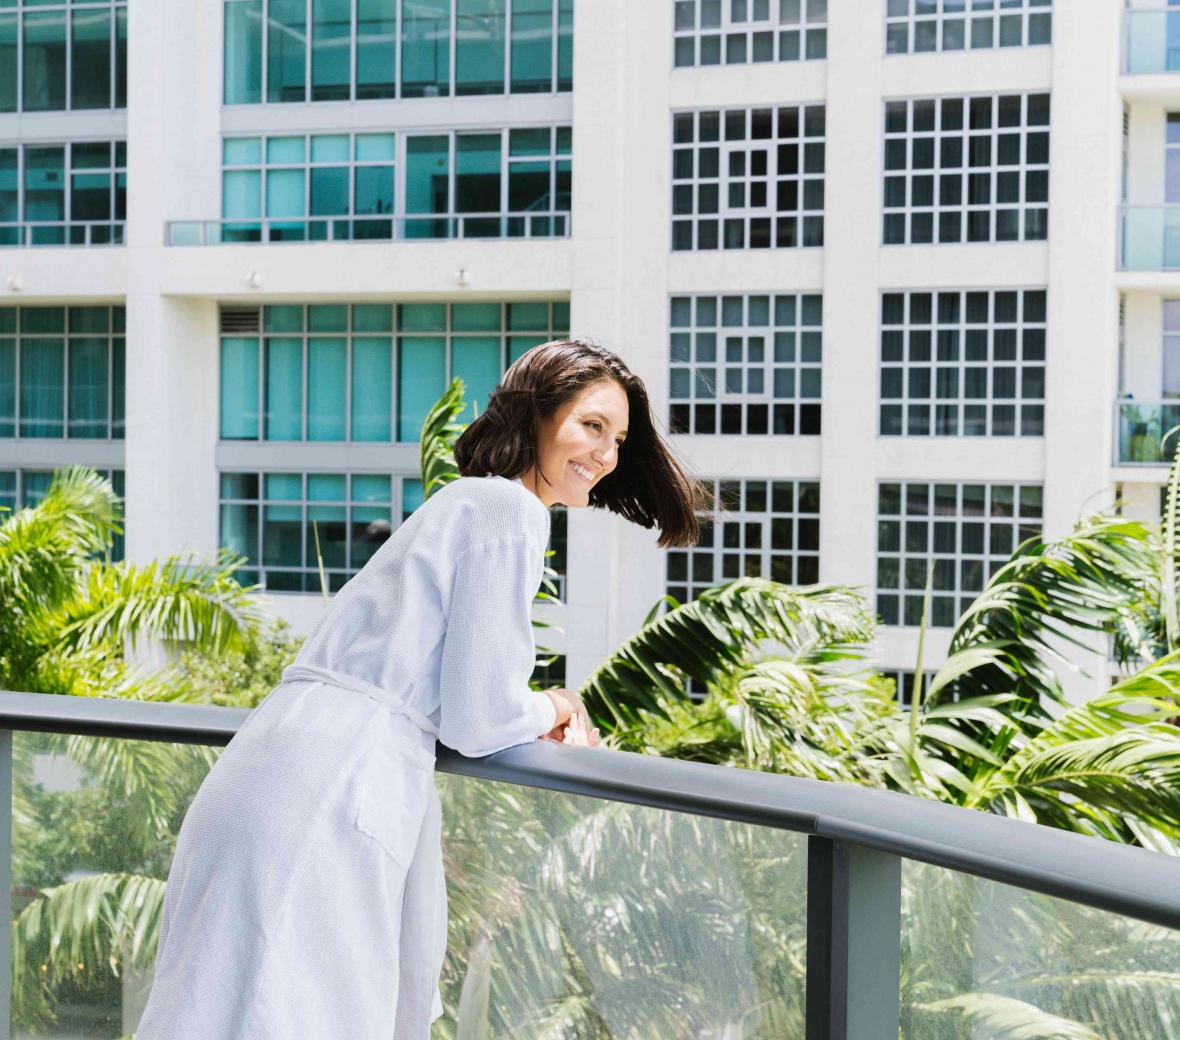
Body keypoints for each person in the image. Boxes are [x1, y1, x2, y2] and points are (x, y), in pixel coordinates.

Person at [134, 338, 705, 1040]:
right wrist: (556, 705)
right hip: (334, 781)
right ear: (538, 414)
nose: (608, 454)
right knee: (286, 1007)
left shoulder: (463, 504)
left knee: (219, 996)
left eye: (618, 438)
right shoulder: (508, 511)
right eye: (592, 426)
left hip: (276, 760)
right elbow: (478, 714)